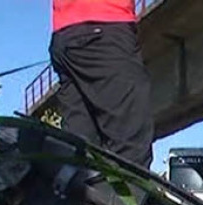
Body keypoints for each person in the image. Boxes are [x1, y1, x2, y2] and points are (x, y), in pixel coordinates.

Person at [49, 0, 154, 168]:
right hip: (104, 27)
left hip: (64, 34)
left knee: (80, 151)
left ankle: (79, 192)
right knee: (130, 146)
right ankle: (127, 192)